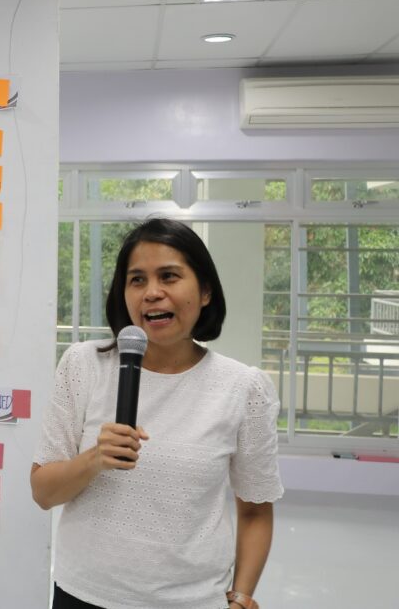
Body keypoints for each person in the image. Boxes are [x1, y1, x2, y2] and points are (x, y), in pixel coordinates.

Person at [31, 218, 282, 609]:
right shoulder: (83, 365)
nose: (151, 293)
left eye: (169, 276)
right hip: (83, 595)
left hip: (192, 601)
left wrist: (242, 595)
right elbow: (43, 492)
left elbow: (254, 511)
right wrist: (94, 459)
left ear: (205, 291)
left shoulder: (243, 388)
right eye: (137, 280)